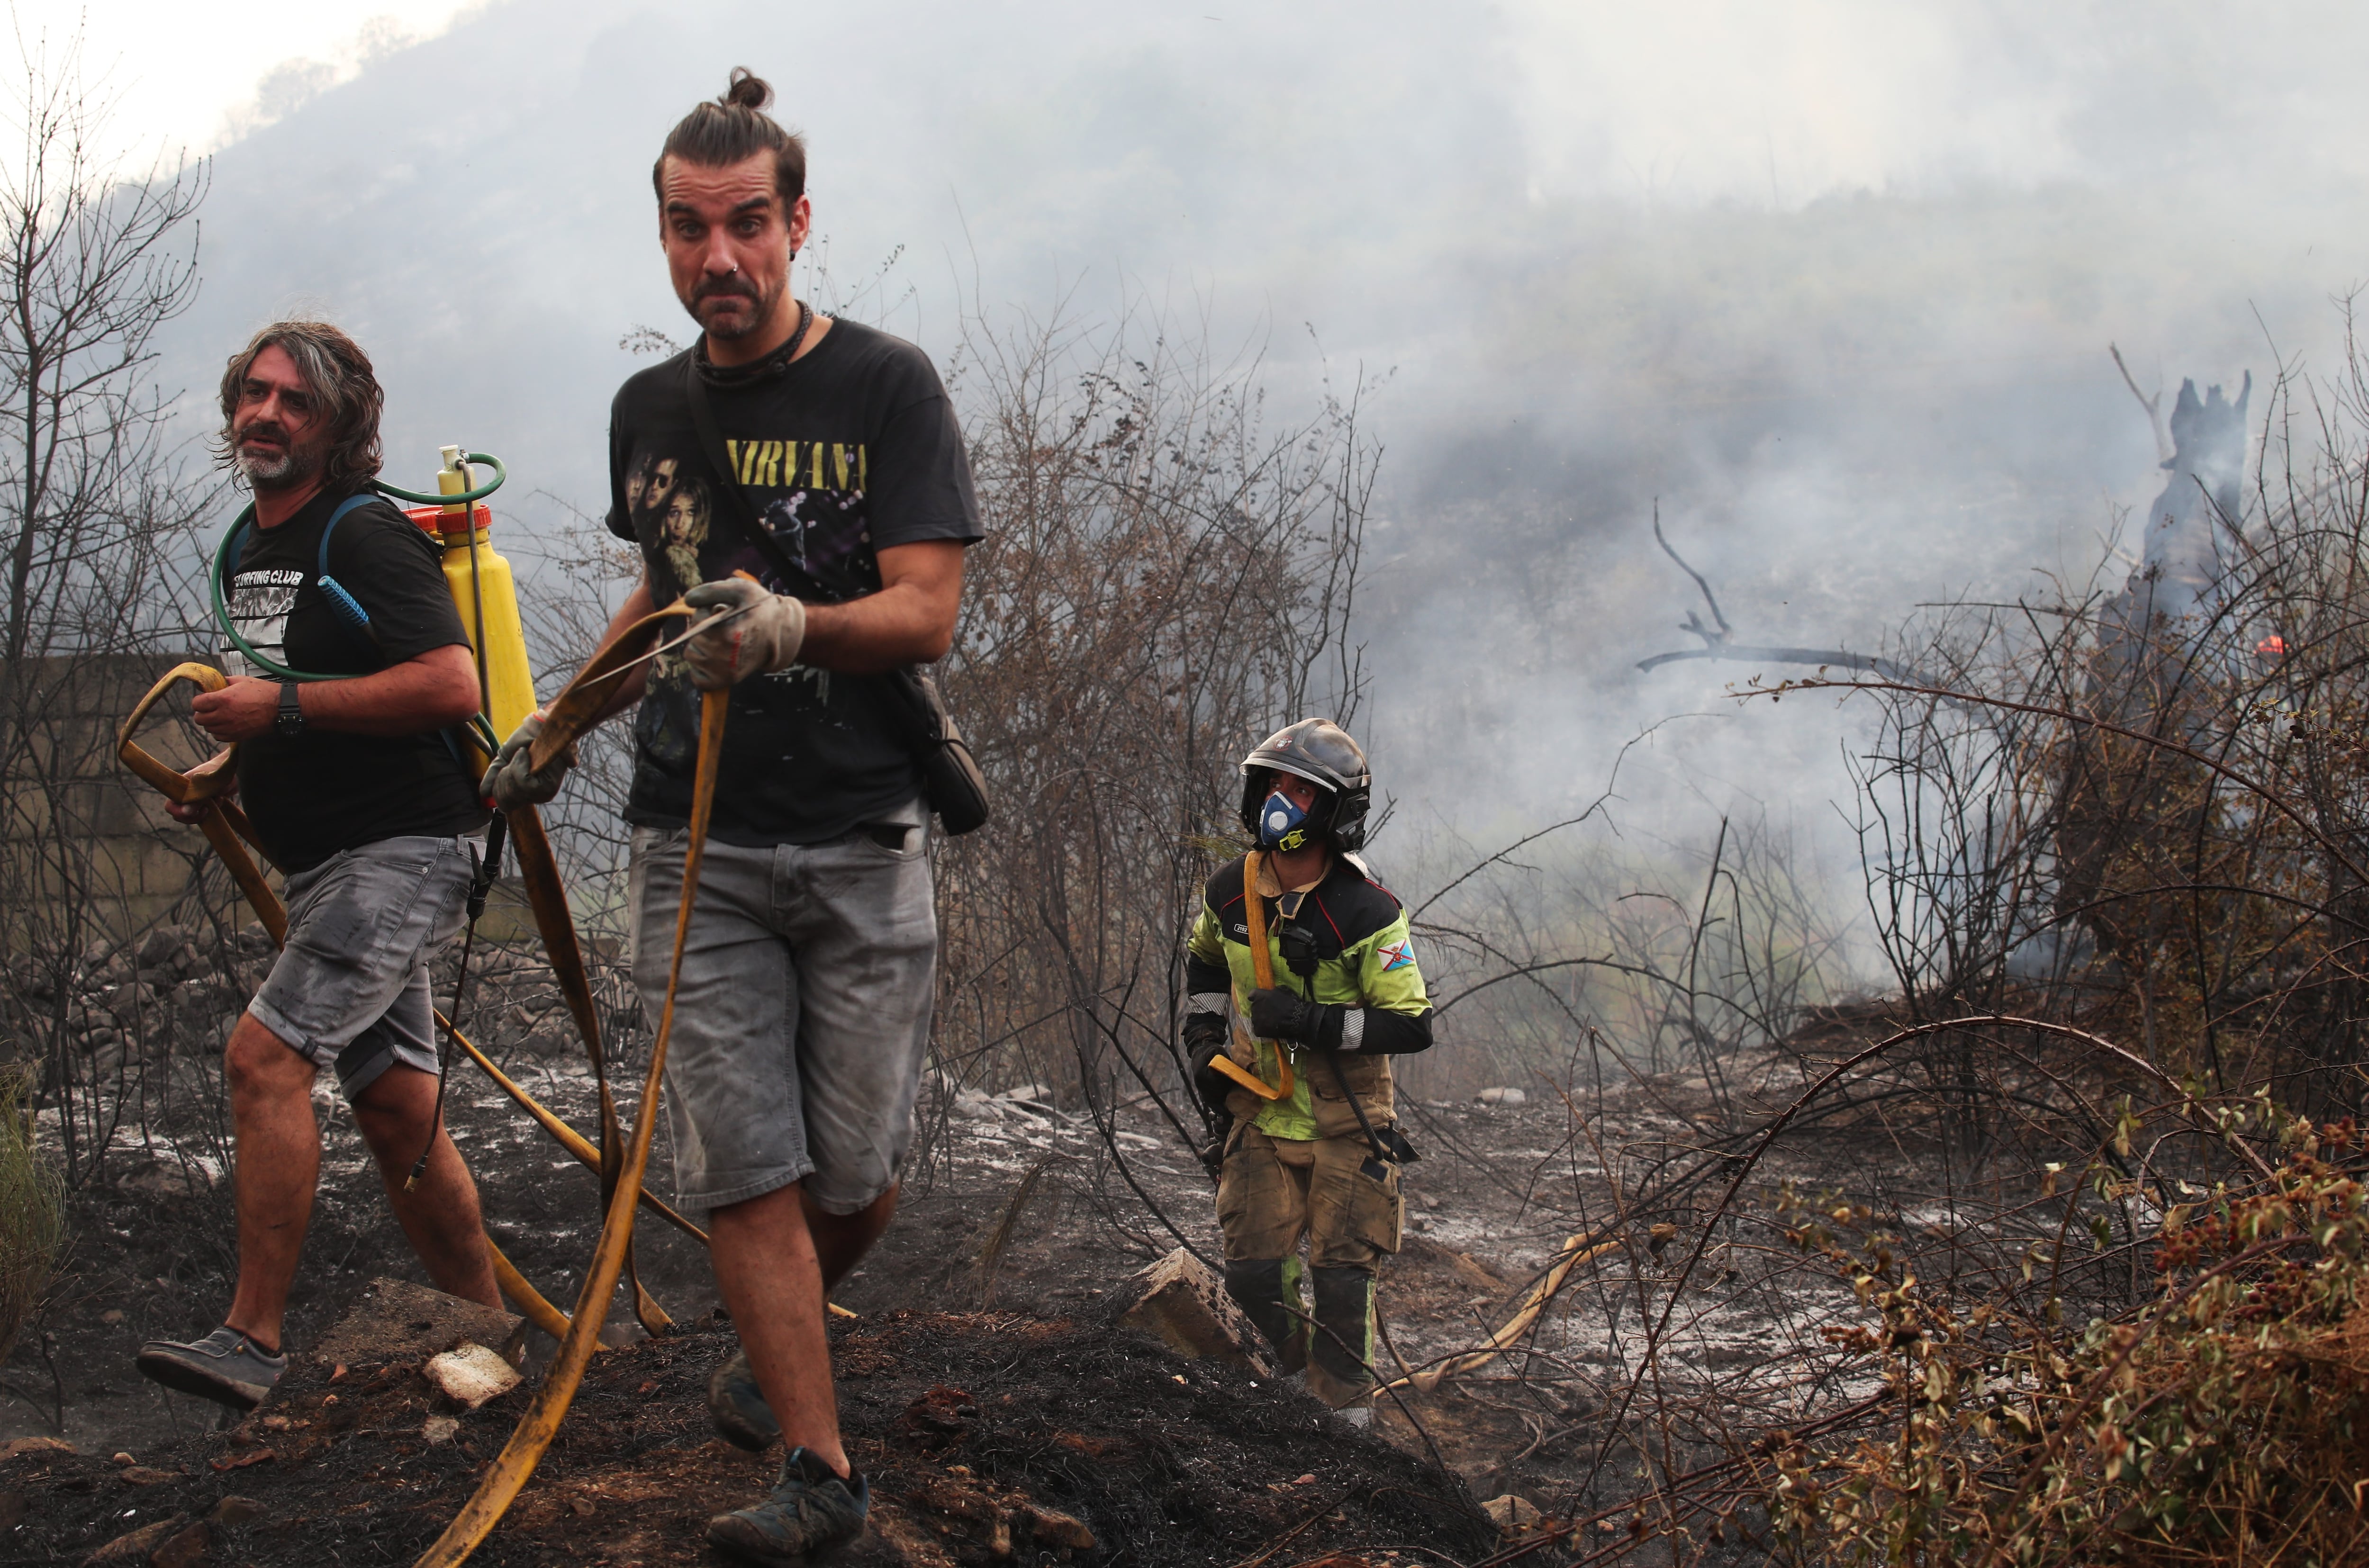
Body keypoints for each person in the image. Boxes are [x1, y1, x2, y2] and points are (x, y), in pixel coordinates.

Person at [483, 68, 981, 1564]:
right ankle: (821, 1475)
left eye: (748, 224)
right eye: (692, 230)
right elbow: (660, 584)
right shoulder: (651, 406)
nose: (721, 258)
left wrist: (793, 630)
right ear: (664, 240)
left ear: (797, 224)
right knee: (748, 1165)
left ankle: (777, 1354)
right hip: (690, 844)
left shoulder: (887, 386)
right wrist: (560, 722)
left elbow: (929, 607)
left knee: (860, 1172)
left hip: (861, 831)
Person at [134, 322, 502, 1411]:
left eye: (296, 400)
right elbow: (293, 691)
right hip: (331, 863)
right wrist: (229, 765)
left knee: (264, 1056)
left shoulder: (365, 533)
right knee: (396, 1112)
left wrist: (276, 709)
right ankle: (494, 1345)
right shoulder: (251, 543)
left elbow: (449, 685)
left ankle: (251, 1338)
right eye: (254, 394)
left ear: (339, 424)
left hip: (405, 847)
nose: (268, 413)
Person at [1183, 720, 1435, 1425]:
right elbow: (1203, 959)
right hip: (1261, 1109)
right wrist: (1203, 1035)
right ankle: (1290, 1402)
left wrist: (1316, 1022)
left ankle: (1348, 1423)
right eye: (1273, 784)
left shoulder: (1369, 911)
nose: (1279, 801)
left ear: (1333, 810)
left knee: (1342, 1280)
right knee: (1253, 1274)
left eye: (1300, 789)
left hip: (1347, 1122)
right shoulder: (1229, 891)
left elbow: (1411, 1023)